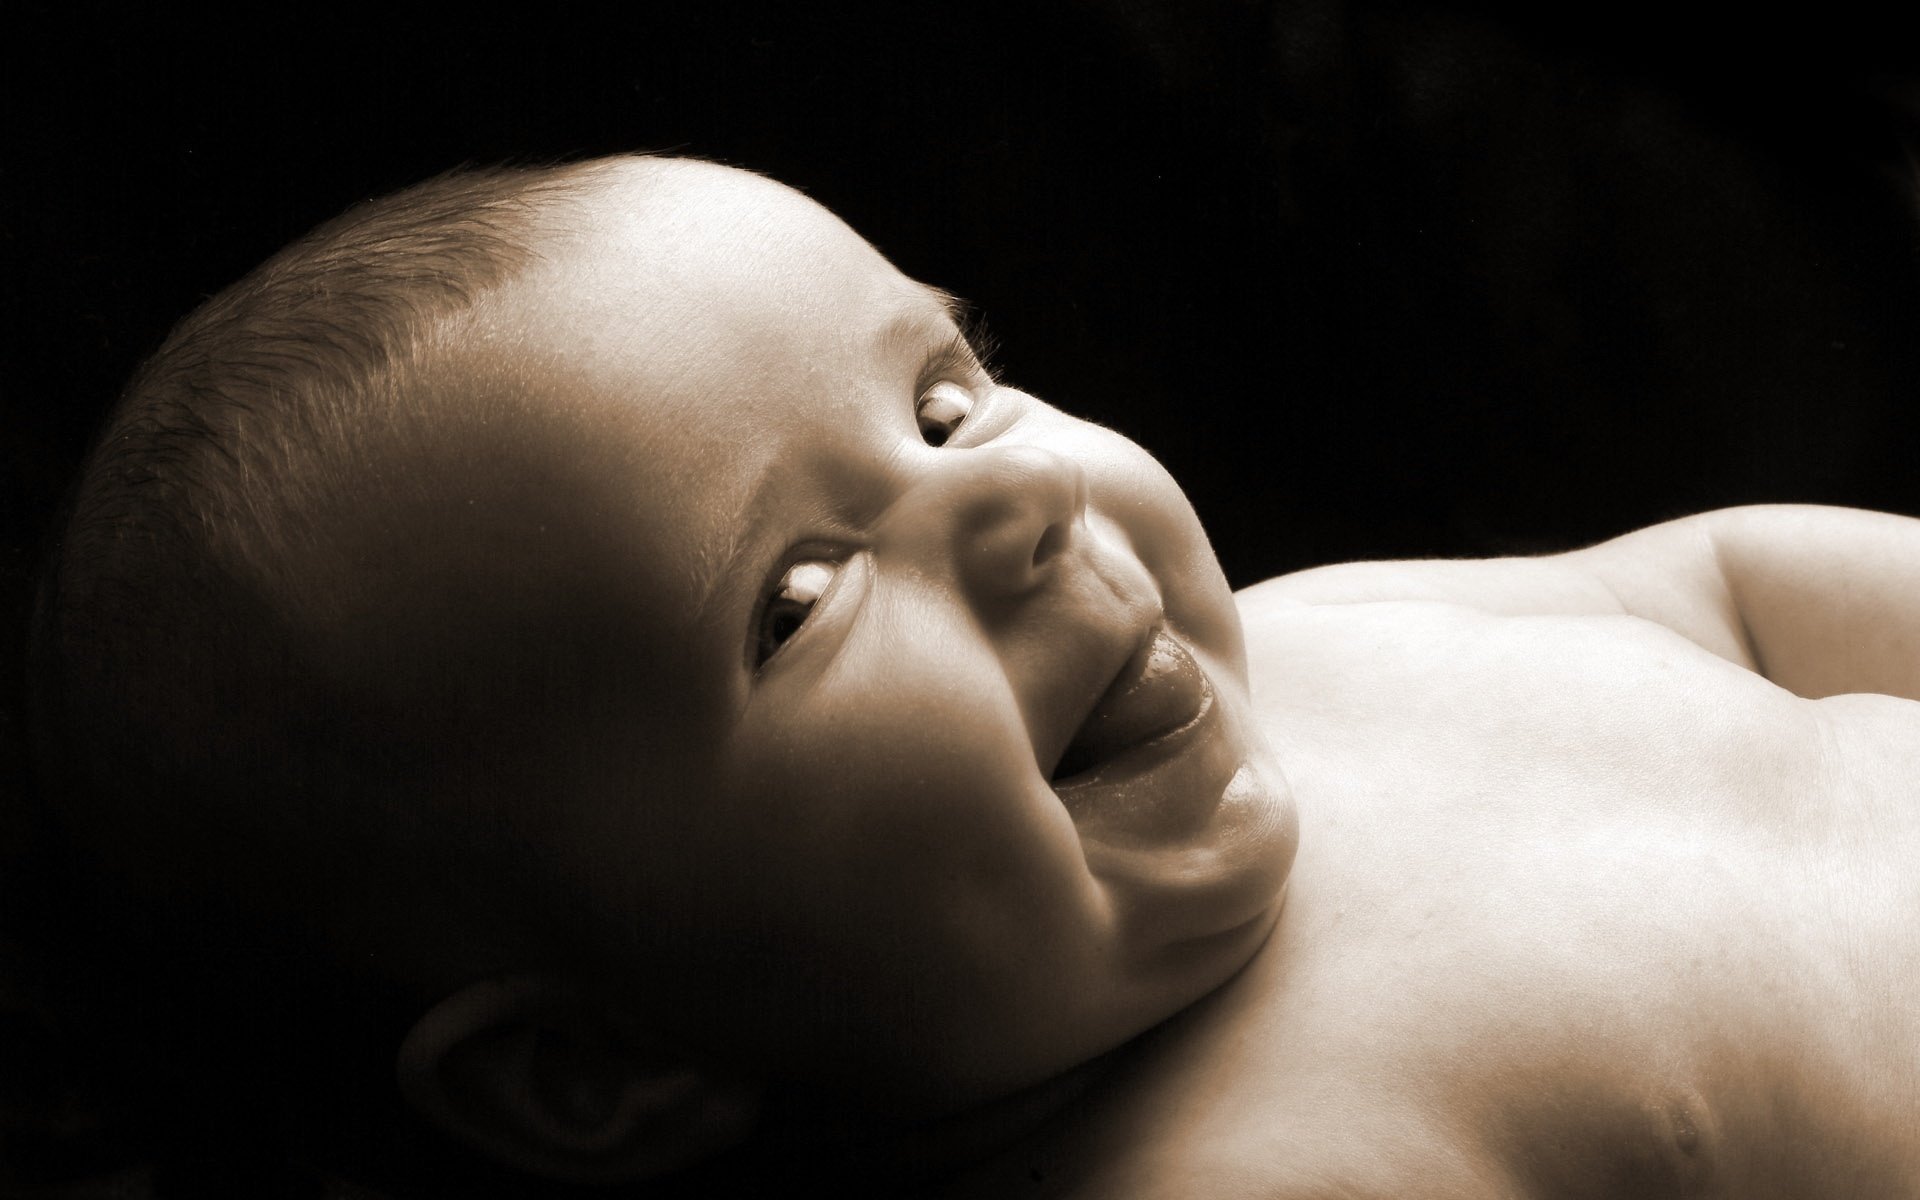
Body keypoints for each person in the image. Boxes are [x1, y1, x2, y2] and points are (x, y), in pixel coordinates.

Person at [25, 153, 1919, 1198]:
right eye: (802, 594)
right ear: (602, 1065)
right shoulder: (1254, 1168)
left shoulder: (1319, 641)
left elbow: (1727, 593)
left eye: (947, 396)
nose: (1014, 496)